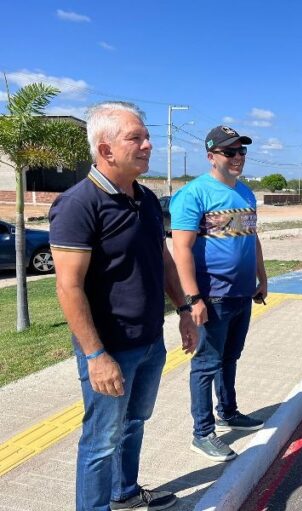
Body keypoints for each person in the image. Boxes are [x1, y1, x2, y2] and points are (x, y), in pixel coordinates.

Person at [49, 102, 198, 511]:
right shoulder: (78, 204)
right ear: (106, 149)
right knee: (100, 440)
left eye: (146, 136)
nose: (148, 145)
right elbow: (68, 287)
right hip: (110, 348)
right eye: (136, 138)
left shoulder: (146, 199)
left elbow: (163, 259)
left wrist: (184, 310)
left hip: (149, 341)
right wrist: (96, 356)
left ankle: (125, 493)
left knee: (134, 422)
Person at [170, 125, 267, 462]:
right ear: (211, 156)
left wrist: (262, 277)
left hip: (242, 293)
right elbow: (181, 249)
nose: (238, 157)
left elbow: (252, 237)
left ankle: (228, 411)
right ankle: (202, 433)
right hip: (212, 296)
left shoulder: (246, 193)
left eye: (242, 151)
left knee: (230, 357)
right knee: (206, 364)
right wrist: (193, 299)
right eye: (230, 152)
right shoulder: (194, 194)